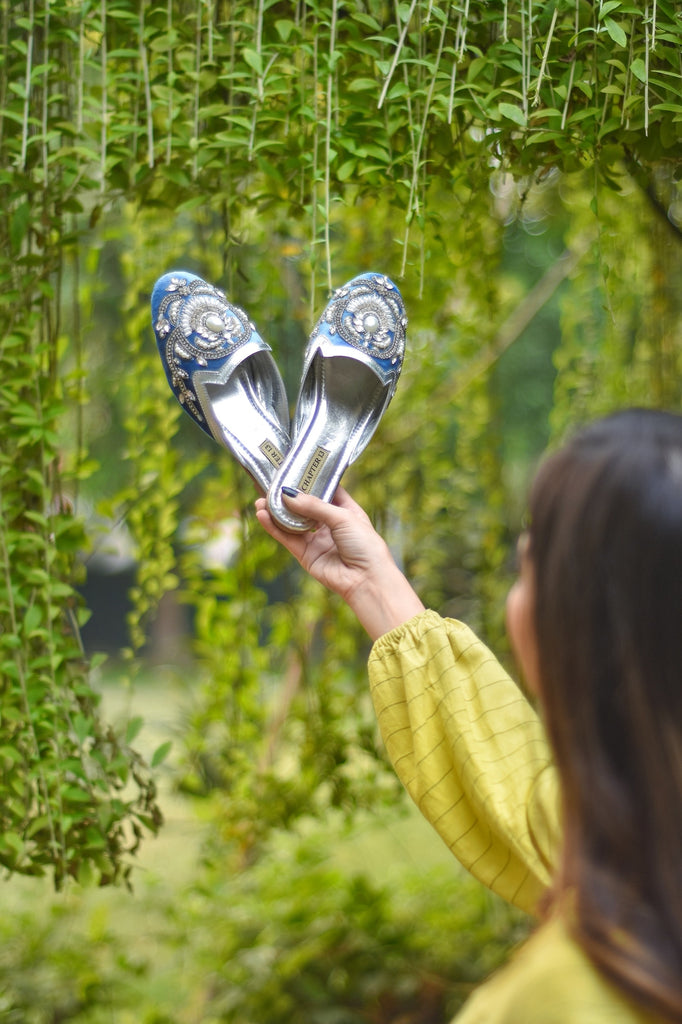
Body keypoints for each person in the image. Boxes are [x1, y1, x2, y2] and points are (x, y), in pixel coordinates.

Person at [255, 407, 682, 1023]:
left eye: (526, 567)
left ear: (568, 627)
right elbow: (526, 793)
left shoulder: (553, 1001)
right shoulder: (642, 833)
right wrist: (373, 584)